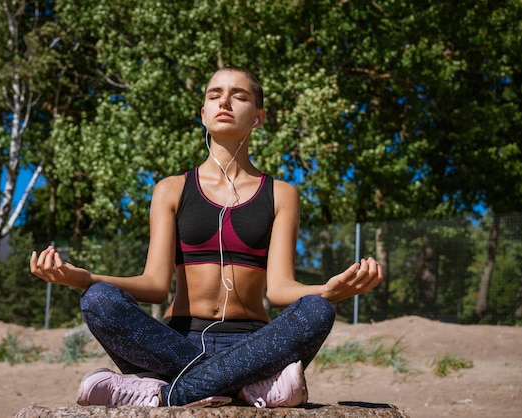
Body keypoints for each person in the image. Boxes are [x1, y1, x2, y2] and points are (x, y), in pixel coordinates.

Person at [30, 66, 383, 408]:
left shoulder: (282, 194)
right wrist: (85, 279)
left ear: (258, 117)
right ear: (203, 114)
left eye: (238, 96)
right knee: (98, 300)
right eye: (215, 96)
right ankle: (246, 387)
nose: (224, 102)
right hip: (174, 342)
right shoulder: (171, 189)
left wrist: (327, 291)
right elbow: (154, 285)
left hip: (253, 344)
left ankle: (166, 395)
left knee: (318, 310)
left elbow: (278, 291)